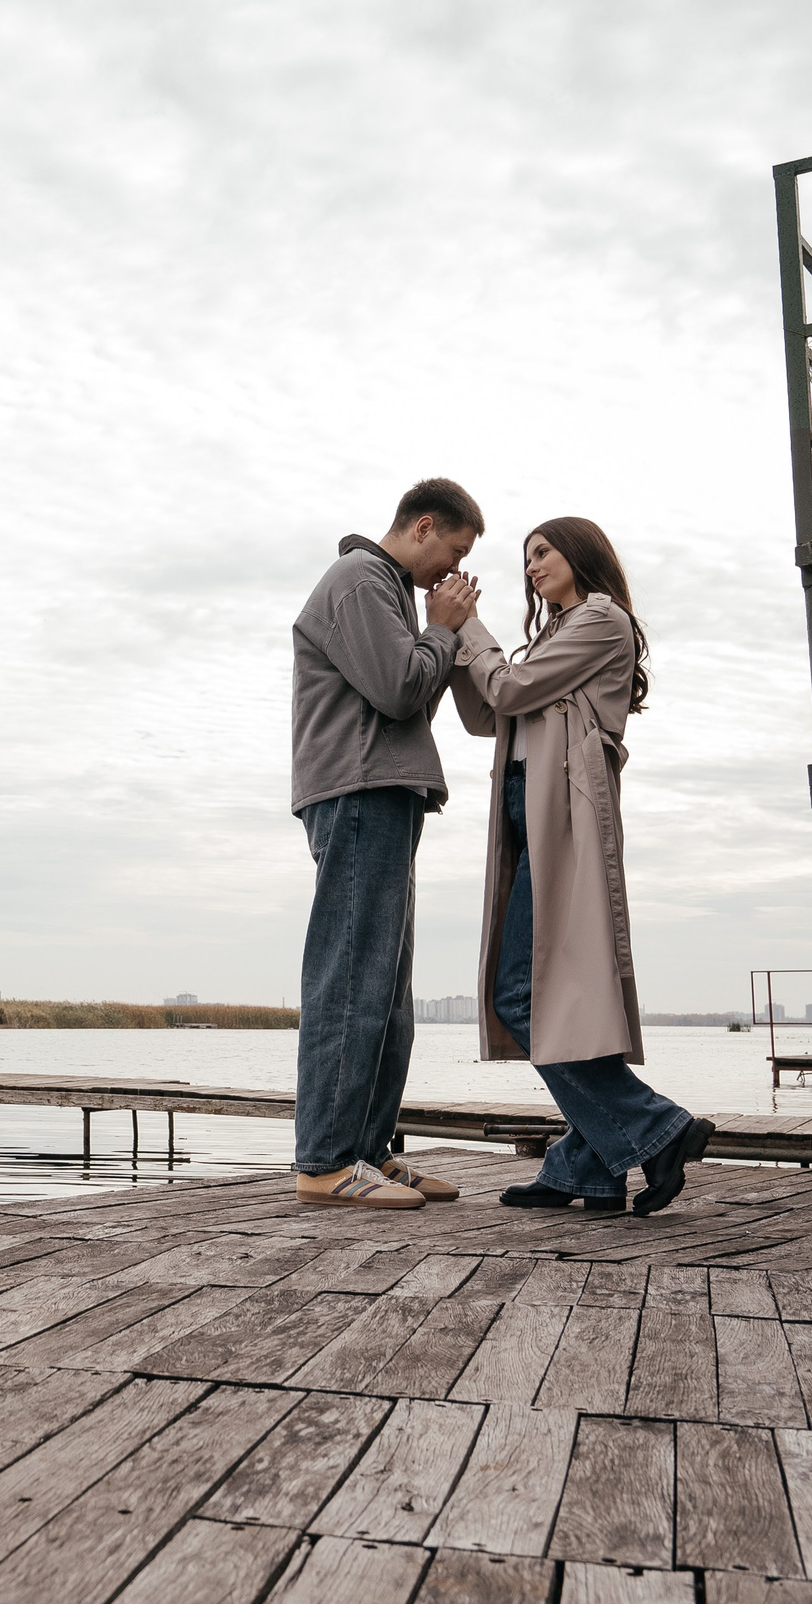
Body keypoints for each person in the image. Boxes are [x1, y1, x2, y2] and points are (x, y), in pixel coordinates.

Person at [449, 517, 713, 1215]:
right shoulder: (553, 636)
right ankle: (587, 1167)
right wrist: (451, 640)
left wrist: (469, 628)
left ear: (580, 552)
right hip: (529, 806)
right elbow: (489, 715)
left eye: (543, 551)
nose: (532, 565)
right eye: (526, 557)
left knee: (524, 993)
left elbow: (509, 690)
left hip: (562, 809)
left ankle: (658, 1126)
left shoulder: (600, 618)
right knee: (562, 996)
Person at [288, 477, 485, 1208]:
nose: (455, 569)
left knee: (385, 987)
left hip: (383, 789)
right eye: (455, 551)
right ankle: (325, 1161)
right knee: (350, 975)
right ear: (423, 526)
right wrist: (443, 629)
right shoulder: (360, 580)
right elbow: (401, 691)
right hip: (358, 789)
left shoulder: (391, 590)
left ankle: (368, 1151)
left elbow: (411, 698)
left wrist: (439, 632)